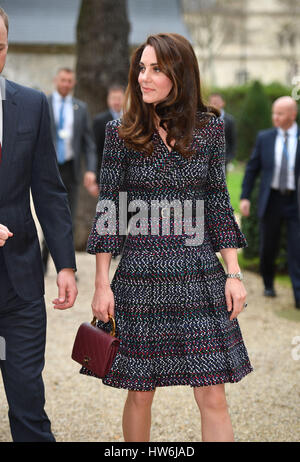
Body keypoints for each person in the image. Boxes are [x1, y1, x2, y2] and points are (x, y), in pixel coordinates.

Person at [81, 33, 253, 443]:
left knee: (213, 392)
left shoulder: (209, 128)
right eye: (141, 67)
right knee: (140, 392)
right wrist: (102, 284)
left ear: (180, 72)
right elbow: (109, 211)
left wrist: (233, 272)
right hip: (139, 276)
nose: (144, 77)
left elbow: (216, 202)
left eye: (156, 68)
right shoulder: (121, 132)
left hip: (197, 275)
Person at [0, 8, 78, 442]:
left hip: (21, 281)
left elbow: (49, 191)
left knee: (28, 401)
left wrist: (66, 265)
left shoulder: (31, 104)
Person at [240, 96, 300, 309]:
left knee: (297, 249)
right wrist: (245, 196)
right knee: (268, 247)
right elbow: (252, 169)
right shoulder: (264, 138)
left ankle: (298, 296)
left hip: (295, 201)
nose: (275, 117)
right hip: (271, 200)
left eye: (280, 113)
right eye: (274, 113)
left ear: (293, 115)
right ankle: (268, 284)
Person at [41, 68, 98, 273]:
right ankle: (42, 263)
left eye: (69, 81)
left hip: (71, 170)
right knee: (49, 216)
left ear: (73, 83)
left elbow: (89, 143)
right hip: (48, 170)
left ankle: (65, 267)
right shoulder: (43, 103)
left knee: (68, 220)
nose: (66, 84)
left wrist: (90, 169)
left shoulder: (80, 108)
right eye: (63, 80)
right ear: (56, 80)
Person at [93, 84, 125, 185]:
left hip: (127, 175)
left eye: (119, 98)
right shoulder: (99, 121)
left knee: (124, 200)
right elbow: (96, 150)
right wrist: (96, 176)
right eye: (113, 98)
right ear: (108, 99)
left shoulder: (132, 120)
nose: (116, 102)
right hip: (106, 175)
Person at [209, 93, 236, 172]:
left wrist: (229, 158)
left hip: (223, 159)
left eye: (216, 102)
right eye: (212, 102)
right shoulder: (205, 119)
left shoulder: (230, 120)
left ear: (223, 103)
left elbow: (233, 140)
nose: (214, 104)